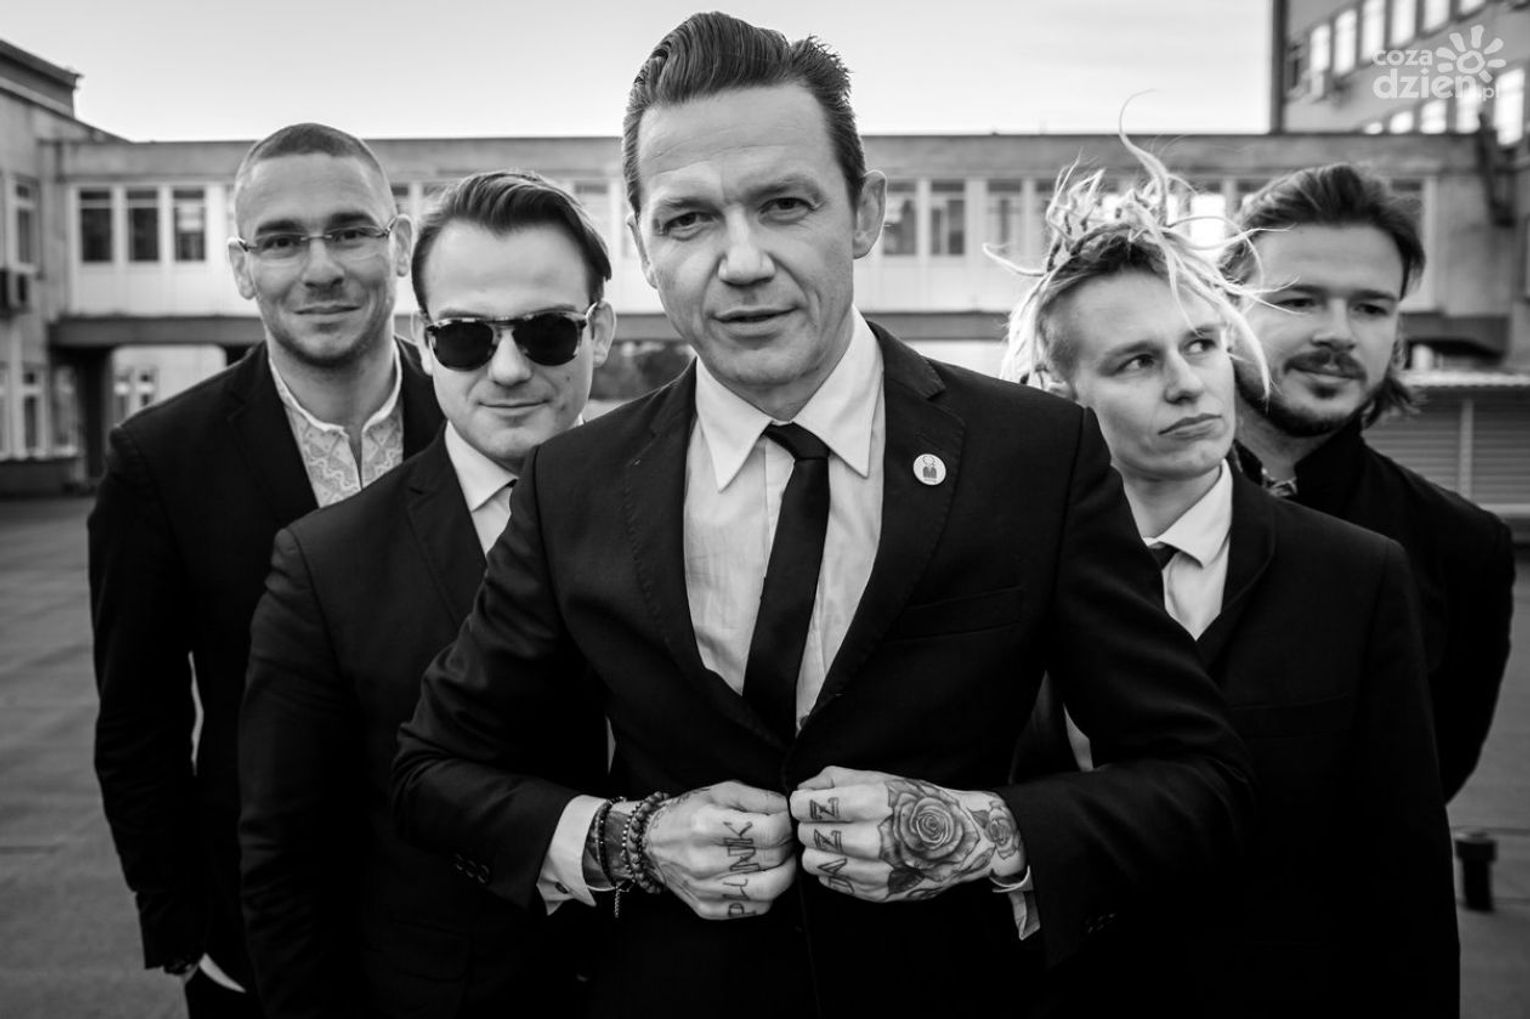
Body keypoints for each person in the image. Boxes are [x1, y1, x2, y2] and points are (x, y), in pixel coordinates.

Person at [391, 14, 1253, 1016]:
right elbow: (433, 769)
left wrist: (978, 833)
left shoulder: (1034, 457)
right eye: (688, 219)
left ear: (865, 213)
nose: (742, 260)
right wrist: (630, 839)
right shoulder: (572, 482)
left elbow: (1200, 776)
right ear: (644, 247)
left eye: (784, 204)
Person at [1000, 146, 1457, 1016]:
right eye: (1137, 362)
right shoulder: (1003, 571)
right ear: (1061, 392)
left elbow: (1402, 873)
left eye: (1202, 344)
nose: (1187, 384)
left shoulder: (1356, 573)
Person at [238, 170, 614, 1018]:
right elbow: (287, 864)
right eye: (468, 337)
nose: (509, 369)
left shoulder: (689, 506)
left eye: (548, 332)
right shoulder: (325, 564)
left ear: (601, 330)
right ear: (424, 337)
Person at [89, 122, 442, 1016]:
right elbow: (138, 721)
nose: (320, 269)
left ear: (399, 245)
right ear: (243, 269)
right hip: (253, 950)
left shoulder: (478, 422)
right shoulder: (159, 461)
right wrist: (182, 930)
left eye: (349, 231)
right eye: (281, 240)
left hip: (469, 937)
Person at [1225, 163, 1516, 800]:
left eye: (1370, 307)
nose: (1339, 333)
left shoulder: (1462, 547)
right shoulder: (1111, 508)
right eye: (1299, 300)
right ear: (1224, 312)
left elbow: (1428, 781)